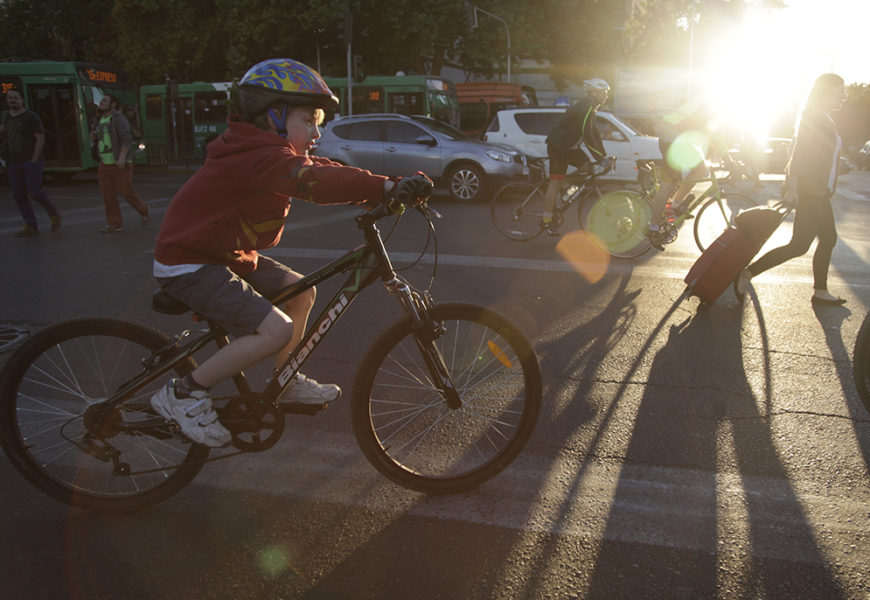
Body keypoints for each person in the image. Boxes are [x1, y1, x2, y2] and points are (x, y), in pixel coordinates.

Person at [150, 58, 433, 447]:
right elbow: (311, 179)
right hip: (189, 263)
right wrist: (382, 189)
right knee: (277, 329)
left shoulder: (266, 151)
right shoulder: (256, 156)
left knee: (300, 291)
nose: (317, 131)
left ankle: (286, 378)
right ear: (273, 115)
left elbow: (319, 168)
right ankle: (184, 393)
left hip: (224, 255)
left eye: (319, 122)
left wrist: (386, 186)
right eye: (309, 120)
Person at [736, 73, 848, 306]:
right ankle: (748, 272)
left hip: (819, 192)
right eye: (841, 91)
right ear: (827, 91)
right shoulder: (814, 117)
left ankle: (820, 291)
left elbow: (822, 155)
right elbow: (798, 155)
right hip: (810, 192)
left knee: (827, 239)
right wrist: (793, 188)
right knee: (799, 245)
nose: (844, 96)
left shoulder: (824, 118)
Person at [645, 94, 731, 250]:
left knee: (699, 167)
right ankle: (653, 227)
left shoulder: (712, 103)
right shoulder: (712, 104)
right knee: (670, 183)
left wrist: (726, 157)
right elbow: (716, 135)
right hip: (670, 133)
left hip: (674, 134)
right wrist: (729, 161)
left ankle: (675, 204)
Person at [541, 78, 613, 236]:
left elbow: (594, 133)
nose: (606, 96)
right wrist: (600, 159)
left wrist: (604, 156)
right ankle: (546, 221)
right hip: (558, 147)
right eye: (603, 92)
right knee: (555, 182)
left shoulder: (591, 107)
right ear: (593, 93)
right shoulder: (585, 107)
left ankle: (565, 188)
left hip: (570, 147)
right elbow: (587, 136)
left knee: (588, 168)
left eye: (606, 93)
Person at [0, 87, 62, 237]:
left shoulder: (31, 117)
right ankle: (31, 225)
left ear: (22, 100)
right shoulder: (4, 116)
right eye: (10, 98)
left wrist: (34, 160)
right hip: (13, 161)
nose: (12, 100)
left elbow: (40, 138)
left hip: (31, 161)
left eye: (15, 98)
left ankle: (54, 214)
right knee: (18, 194)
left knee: (35, 192)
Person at [92, 93, 149, 233]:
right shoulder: (98, 119)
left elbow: (126, 138)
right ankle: (115, 223)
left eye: (104, 101)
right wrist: (94, 137)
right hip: (104, 164)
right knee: (108, 195)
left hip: (120, 163)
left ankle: (143, 210)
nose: (101, 103)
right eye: (101, 101)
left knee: (126, 191)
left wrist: (122, 157)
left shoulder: (118, 119)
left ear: (113, 104)